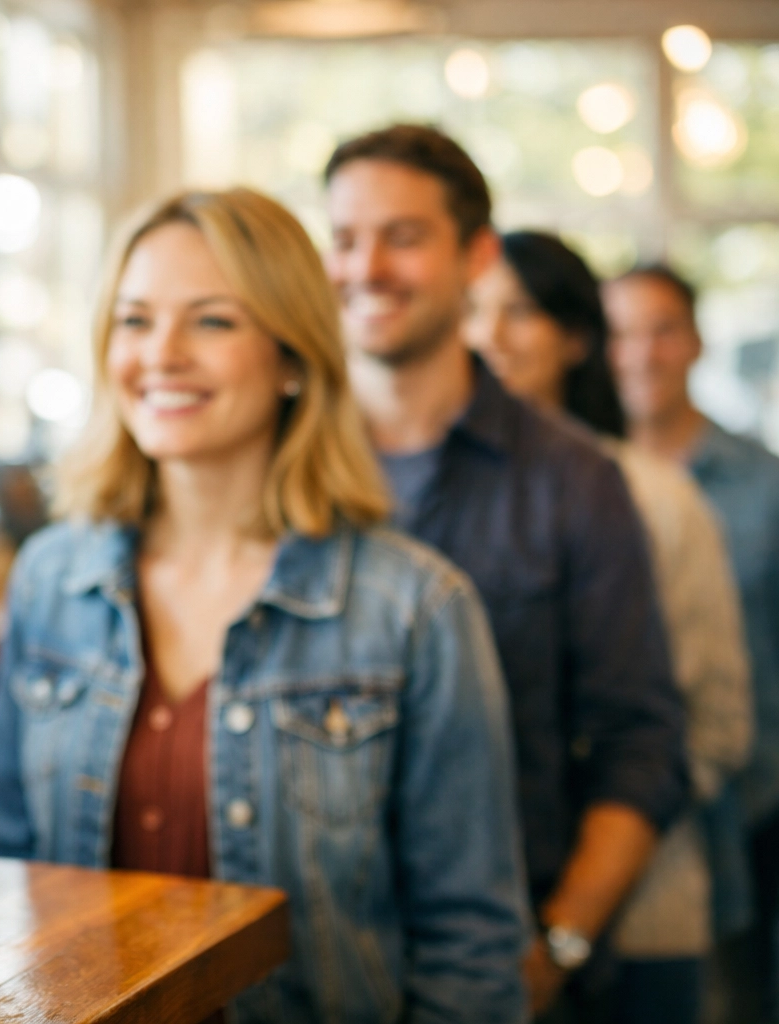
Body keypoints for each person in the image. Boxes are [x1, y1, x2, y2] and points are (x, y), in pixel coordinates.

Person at [0, 187, 529, 1023]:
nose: (162, 355)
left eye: (213, 321)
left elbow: (470, 947)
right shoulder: (53, 577)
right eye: (135, 320)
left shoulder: (415, 608)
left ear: (293, 357)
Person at [323, 125, 687, 1020]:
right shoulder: (280, 469)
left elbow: (640, 744)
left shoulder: (575, 480)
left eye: (403, 237)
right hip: (308, 972)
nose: (366, 267)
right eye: (344, 238)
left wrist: (556, 947)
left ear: (475, 255)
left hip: (512, 972)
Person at [466, 231, 750, 1024]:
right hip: (484, 908)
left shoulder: (652, 496)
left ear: (575, 337)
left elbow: (716, 724)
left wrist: (598, 854)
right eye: (474, 311)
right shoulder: (435, 494)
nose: (489, 337)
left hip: (639, 908)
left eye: (518, 312)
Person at [604, 265, 779, 1021]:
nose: (642, 352)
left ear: (697, 341)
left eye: (662, 328)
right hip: (624, 826)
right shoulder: (584, 485)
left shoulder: (761, 483)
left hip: (754, 811)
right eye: (621, 332)